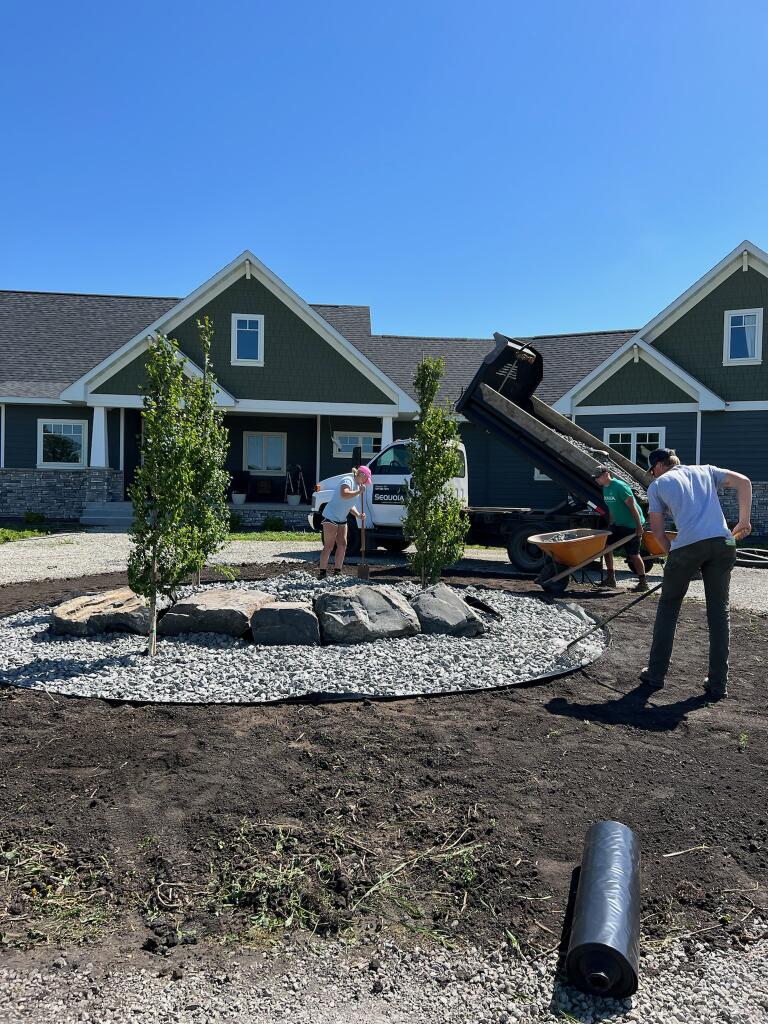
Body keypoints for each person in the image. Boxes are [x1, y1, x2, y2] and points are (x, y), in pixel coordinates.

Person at [640, 448, 752, 700]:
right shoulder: (706, 471)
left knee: (669, 606)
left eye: (652, 470)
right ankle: (718, 683)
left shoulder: (658, 486)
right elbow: (744, 482)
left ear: (658, 466)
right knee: (719, 611)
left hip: (688, 545)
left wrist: (673, 557)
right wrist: (744, 521)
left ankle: (655, 674)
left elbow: (657, 532)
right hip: (723, 543)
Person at [592, 466, 649, 592]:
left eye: (597, 477)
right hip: (618, 524)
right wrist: (611, 524)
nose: (596, 479)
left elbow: (633, 507)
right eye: (595, 477)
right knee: (607, 548)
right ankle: (611, 578)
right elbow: (612, 508)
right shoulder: (605, 489)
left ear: (606, 474)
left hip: (632, 525)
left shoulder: (619, 486)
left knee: (634, 555)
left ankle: (643, 582)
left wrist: (639, 527)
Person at [318, 466, 371, 578]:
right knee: (329, 546)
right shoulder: (348, 480)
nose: (366, 483)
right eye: (366, 480)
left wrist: (358, 515)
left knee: (342, 545)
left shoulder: (358, 485)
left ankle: (337, 572)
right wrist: (358, 492)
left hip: (342, 518)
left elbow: (350, 505)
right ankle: (322, 573)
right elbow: (344, 494)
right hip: (331, 516)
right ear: (362, 475)